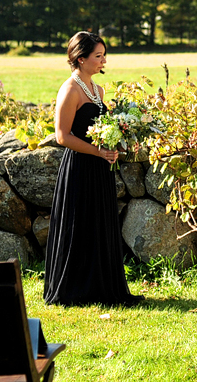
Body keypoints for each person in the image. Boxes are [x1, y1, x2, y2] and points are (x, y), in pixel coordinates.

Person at [44, 31, 143, 307]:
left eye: (103, 55)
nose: (103, 61)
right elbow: (63, 136)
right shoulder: (70, 90)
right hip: (79, 168)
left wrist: (117, 141)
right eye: (98, 56)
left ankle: (101, 287)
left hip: (100, 169)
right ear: (80, 58)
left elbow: (100, 130)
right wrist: (98, 151)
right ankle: (74, 289)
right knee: (79, 225)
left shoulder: (98, 90)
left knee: (98, 224)